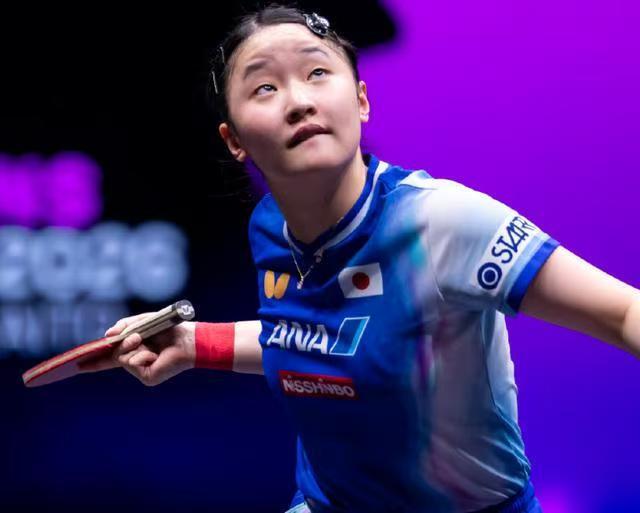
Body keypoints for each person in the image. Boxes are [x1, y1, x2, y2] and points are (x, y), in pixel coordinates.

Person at [79, 4, 640, 513]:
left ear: (362, 100)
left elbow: (622, 313)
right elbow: (315, 339)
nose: (299, 101)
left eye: (317, 72)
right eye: (265, 87)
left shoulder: (438, 222)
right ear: (234, 140)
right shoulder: (270, 227)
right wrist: (192, 344)